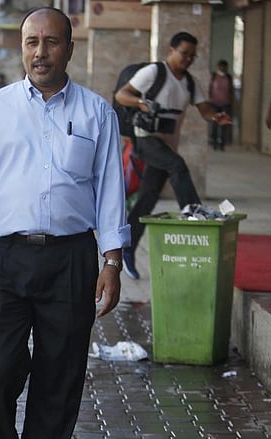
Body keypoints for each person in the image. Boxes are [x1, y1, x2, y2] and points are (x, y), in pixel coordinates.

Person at [0, 7, 129, 439]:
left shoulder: (97, 113)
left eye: (51, 42)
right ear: (22, 48)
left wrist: (112, 261)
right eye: (32, 42)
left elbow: (111, 192)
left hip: (70, 259)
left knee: (60, 374)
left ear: (69, 49)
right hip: (5, 256)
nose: (40, 52)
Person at [114, 31, 231, 279]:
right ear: (171, 50)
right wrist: (140, 103)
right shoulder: (154, 73)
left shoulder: (190, 82)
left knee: (148, 198)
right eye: (184, 53)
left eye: (192, 56)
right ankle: (194, 213)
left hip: (165, 143)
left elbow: (204, 108)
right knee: (177, 165)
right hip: (145, 139)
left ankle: (126, 249)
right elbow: (122, 94)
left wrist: (216, 117)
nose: (188, 59)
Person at [208, 59, 235, 150]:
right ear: (218, 67)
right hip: (215, 103)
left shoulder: (228, 78)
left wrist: (233, 103)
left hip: (225, 104)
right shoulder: (213, 76)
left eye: (224, 67)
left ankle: (222, 144)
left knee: (224, 124)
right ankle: (215, 143)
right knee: (215, 124)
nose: (222, 68)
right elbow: (210, 89)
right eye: (221, 66)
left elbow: (231, 91)